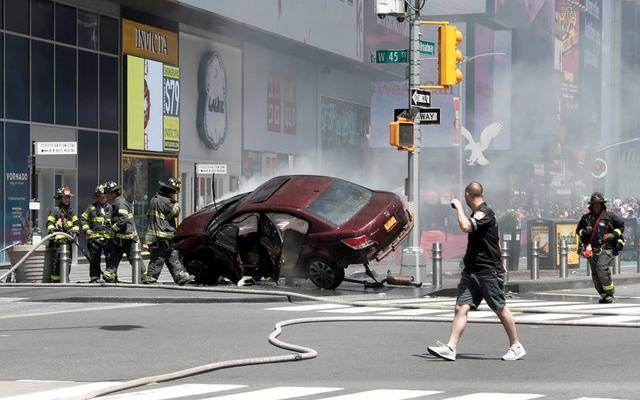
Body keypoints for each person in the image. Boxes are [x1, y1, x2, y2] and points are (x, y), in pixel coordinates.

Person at [426, 182, 525, 361]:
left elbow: (466, 226)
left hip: (487, 270)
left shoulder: (485, 213)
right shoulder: (479, 212)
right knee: (460, 307)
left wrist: (457, 208)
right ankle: (451, 348)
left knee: (500, 308)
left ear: (467, 195)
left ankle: (516, 345)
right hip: (472, 270)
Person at [143, 177, 195, 285]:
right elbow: (175, 212)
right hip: (163, 235)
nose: (175, 194)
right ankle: (151, 278)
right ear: (170, 191)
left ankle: (180, 276)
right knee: (158, 258)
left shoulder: (154, 199)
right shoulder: (166, 202)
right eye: (174, 192)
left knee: (172, 256)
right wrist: (175, 203)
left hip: (160, 235)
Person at [576, 192, 625, 304]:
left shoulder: (610, 216)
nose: (596, 206)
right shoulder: (586, 218)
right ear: (591, 205)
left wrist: (613, 235)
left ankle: (610, 293)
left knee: (601, 268)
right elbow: (578, 230)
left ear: (602, 205)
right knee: (595, 274)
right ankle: (603, 295)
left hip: (607, 248)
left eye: (598, 204)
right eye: (594, 204)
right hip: (592, 249)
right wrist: (585, 231)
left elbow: (621, 226)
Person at [102, 181, 141, 283]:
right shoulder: (116, 203)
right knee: (114, 256)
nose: (106, 196)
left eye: (107, 193)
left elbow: (123, 219)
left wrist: (113, 229)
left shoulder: (120, 203)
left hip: (128, 238)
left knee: (133, 258)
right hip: (120, 237)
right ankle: (110, 274)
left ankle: (143, 276)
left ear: (113, 193)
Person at [46, 186, 81, 282]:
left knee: (67, 263)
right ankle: (56, 282)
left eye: (68, 197)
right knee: (56, 263)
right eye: (65, 197)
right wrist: (53, 230)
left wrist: (75, 232)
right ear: (60, 198)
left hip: (68, 242)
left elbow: (76, 223)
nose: (67, 199)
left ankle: (65, 279)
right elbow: (49, 223)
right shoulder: (56, 210)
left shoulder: (70, 211)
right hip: (58, 243)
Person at [80, 183, 113, 283]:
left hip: (108, 239)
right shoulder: (91, 208)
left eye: (104, 196)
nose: (102, 198)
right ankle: (94, 278)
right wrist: (87, 229)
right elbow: (83, 219)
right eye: (100, 196)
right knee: (94, 259)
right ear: (97, 197)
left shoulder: (111, 208)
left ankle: (110, 277)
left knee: (110, 259)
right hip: (94, 239)